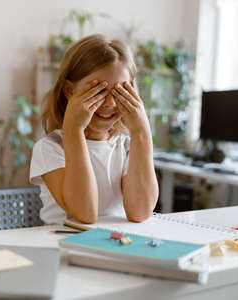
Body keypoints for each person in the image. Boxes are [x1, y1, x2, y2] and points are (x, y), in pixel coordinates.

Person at [30, 34, 158, 225]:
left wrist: (142, 132)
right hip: (61, 247)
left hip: (113, 246)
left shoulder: (126, 146)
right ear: (70, 91)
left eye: (119, 92)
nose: (110, 103)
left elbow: (140, 212)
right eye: (98, 91)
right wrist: (74, 130)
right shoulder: (50, 147)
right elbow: (85, 214)